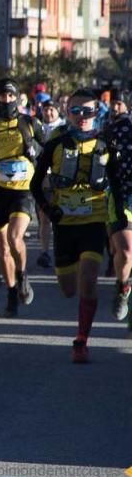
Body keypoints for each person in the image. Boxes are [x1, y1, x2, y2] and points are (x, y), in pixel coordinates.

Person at [31, 89, 108, 363]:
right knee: (68, 289)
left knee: (88, 277)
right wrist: (48, 209)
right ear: (67, 113)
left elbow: (121, 184)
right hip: (64, 222)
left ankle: (81, 340)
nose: (82, 117)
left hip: (95, 220)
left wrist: (119, 219)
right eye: (76, 111)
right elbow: (35, 182)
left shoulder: (107, 144)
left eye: (88, 111)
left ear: (97, 113)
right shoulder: (55, 143)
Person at [0, 78, 45, 317]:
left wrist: (35, 151)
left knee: (15, 236)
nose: (6, 100)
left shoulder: (29, 123)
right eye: (1, 96)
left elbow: (48, 148)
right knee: (2, 247)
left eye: (10, 96)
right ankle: (10, 292)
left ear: (16, 98)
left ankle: (23, 274)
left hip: (23, 188)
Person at [104, 95, 132, 328]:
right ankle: (122, 286)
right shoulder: (119, 129)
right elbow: (109, 166)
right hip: (124, 195)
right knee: (126, 252)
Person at [35, 100, 65, 269]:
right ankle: (45, 252)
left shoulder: (64, 128)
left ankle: (61, 250)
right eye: (46, 110)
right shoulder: (38, 128)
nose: (49, 113)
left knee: (61, 219)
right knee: (44, 217)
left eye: (52, 110)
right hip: (44, 180)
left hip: (62, 180)